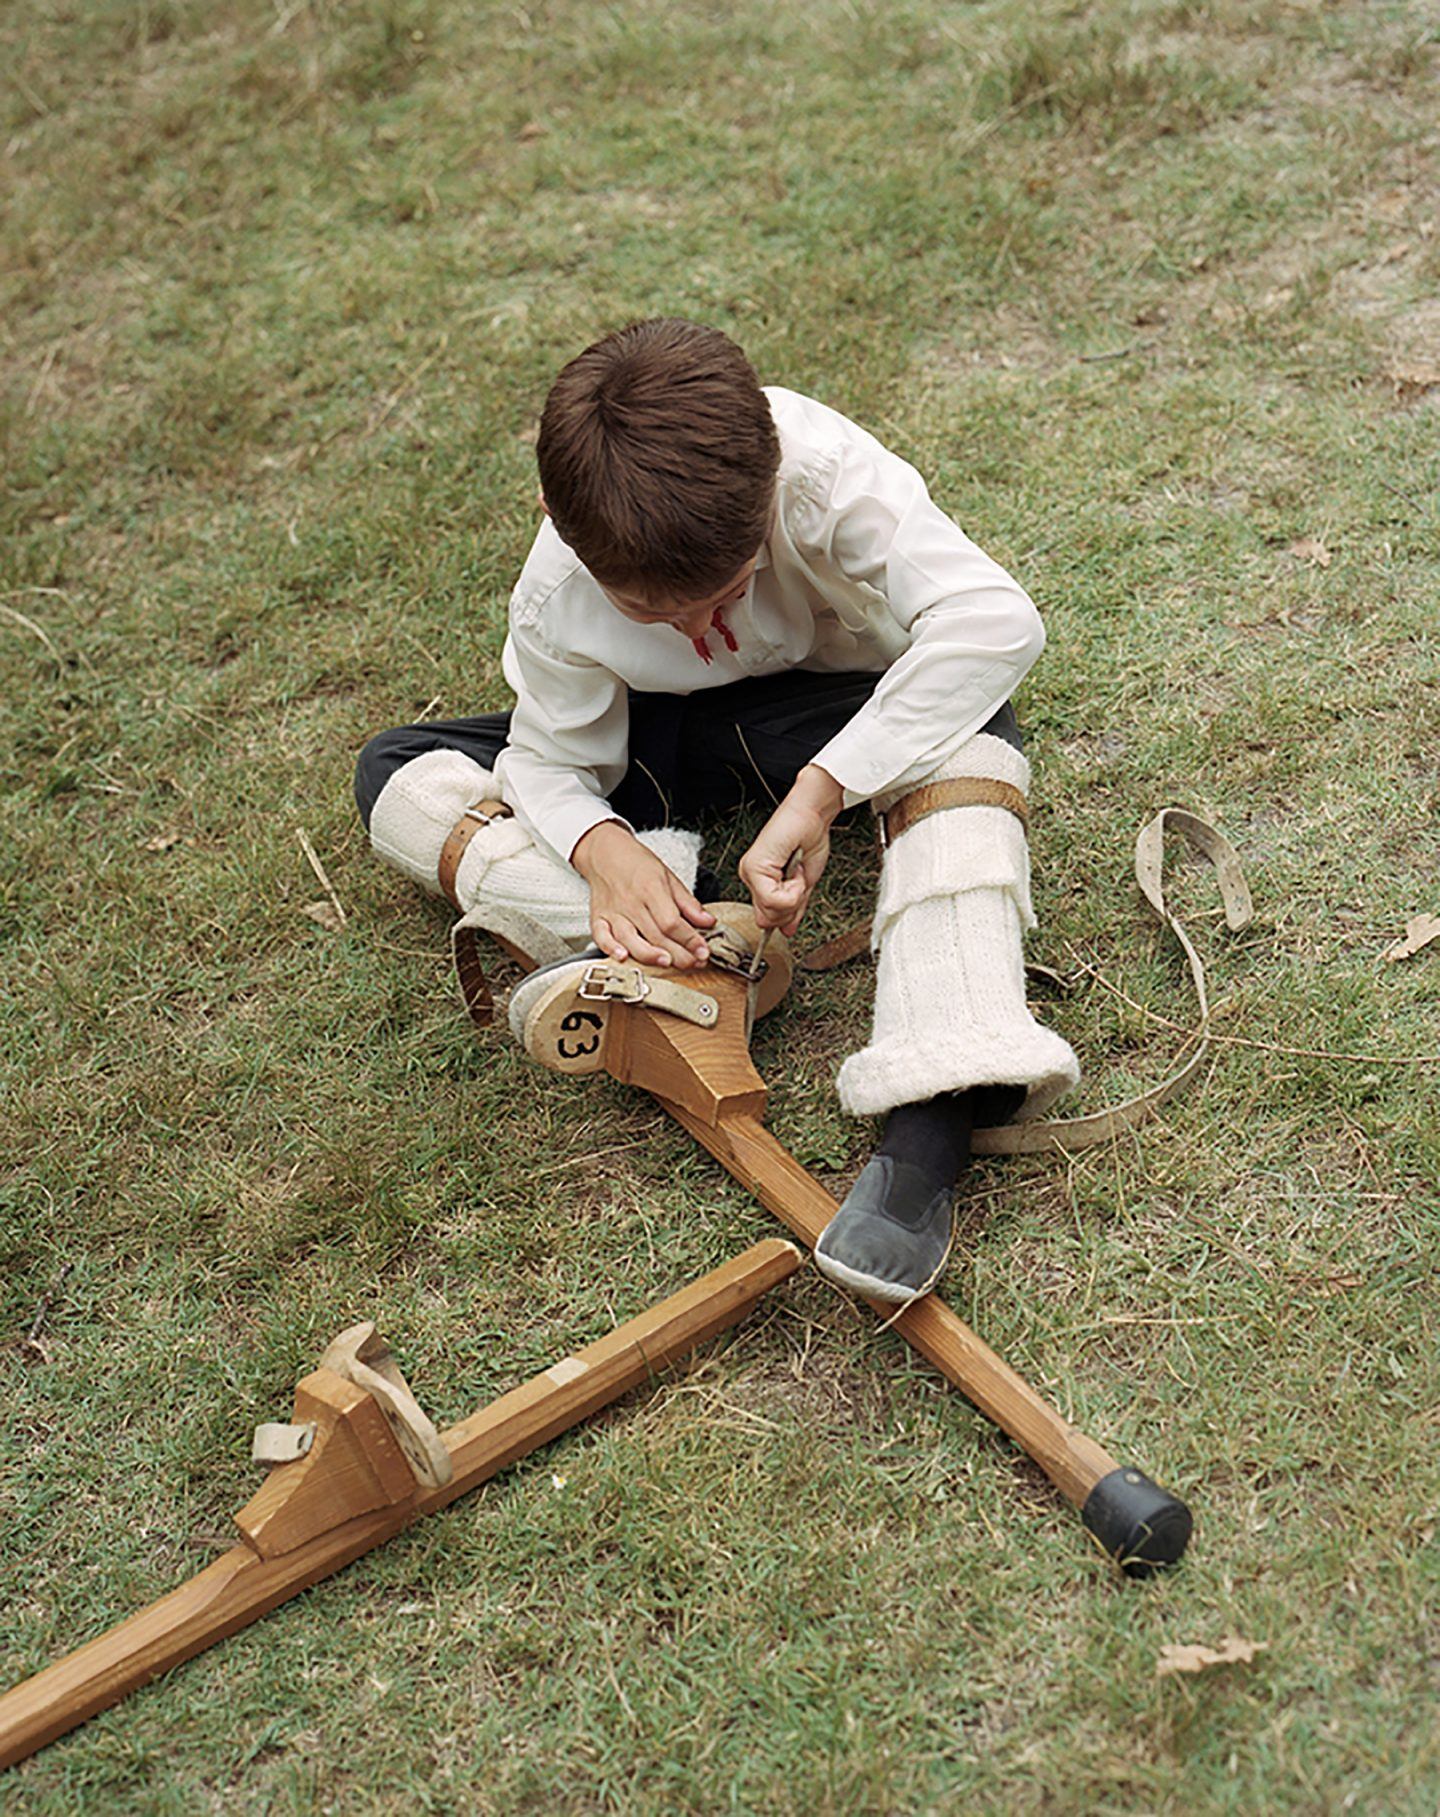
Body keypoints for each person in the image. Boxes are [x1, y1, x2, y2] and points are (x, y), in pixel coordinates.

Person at [355, 318, 1078, 1304]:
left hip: (832, 713)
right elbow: (549, 757)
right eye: (655, 614)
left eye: (730, 591)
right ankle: (707, 947)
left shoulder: (822, 472)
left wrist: (824, 792)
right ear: (556, 521)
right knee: (397, 767)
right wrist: (603, 849)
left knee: (968, 728)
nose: (702, 632)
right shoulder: (559, 587)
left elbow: (996, 620)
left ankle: (936, 1109)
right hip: (670, 740)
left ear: (772, 483)